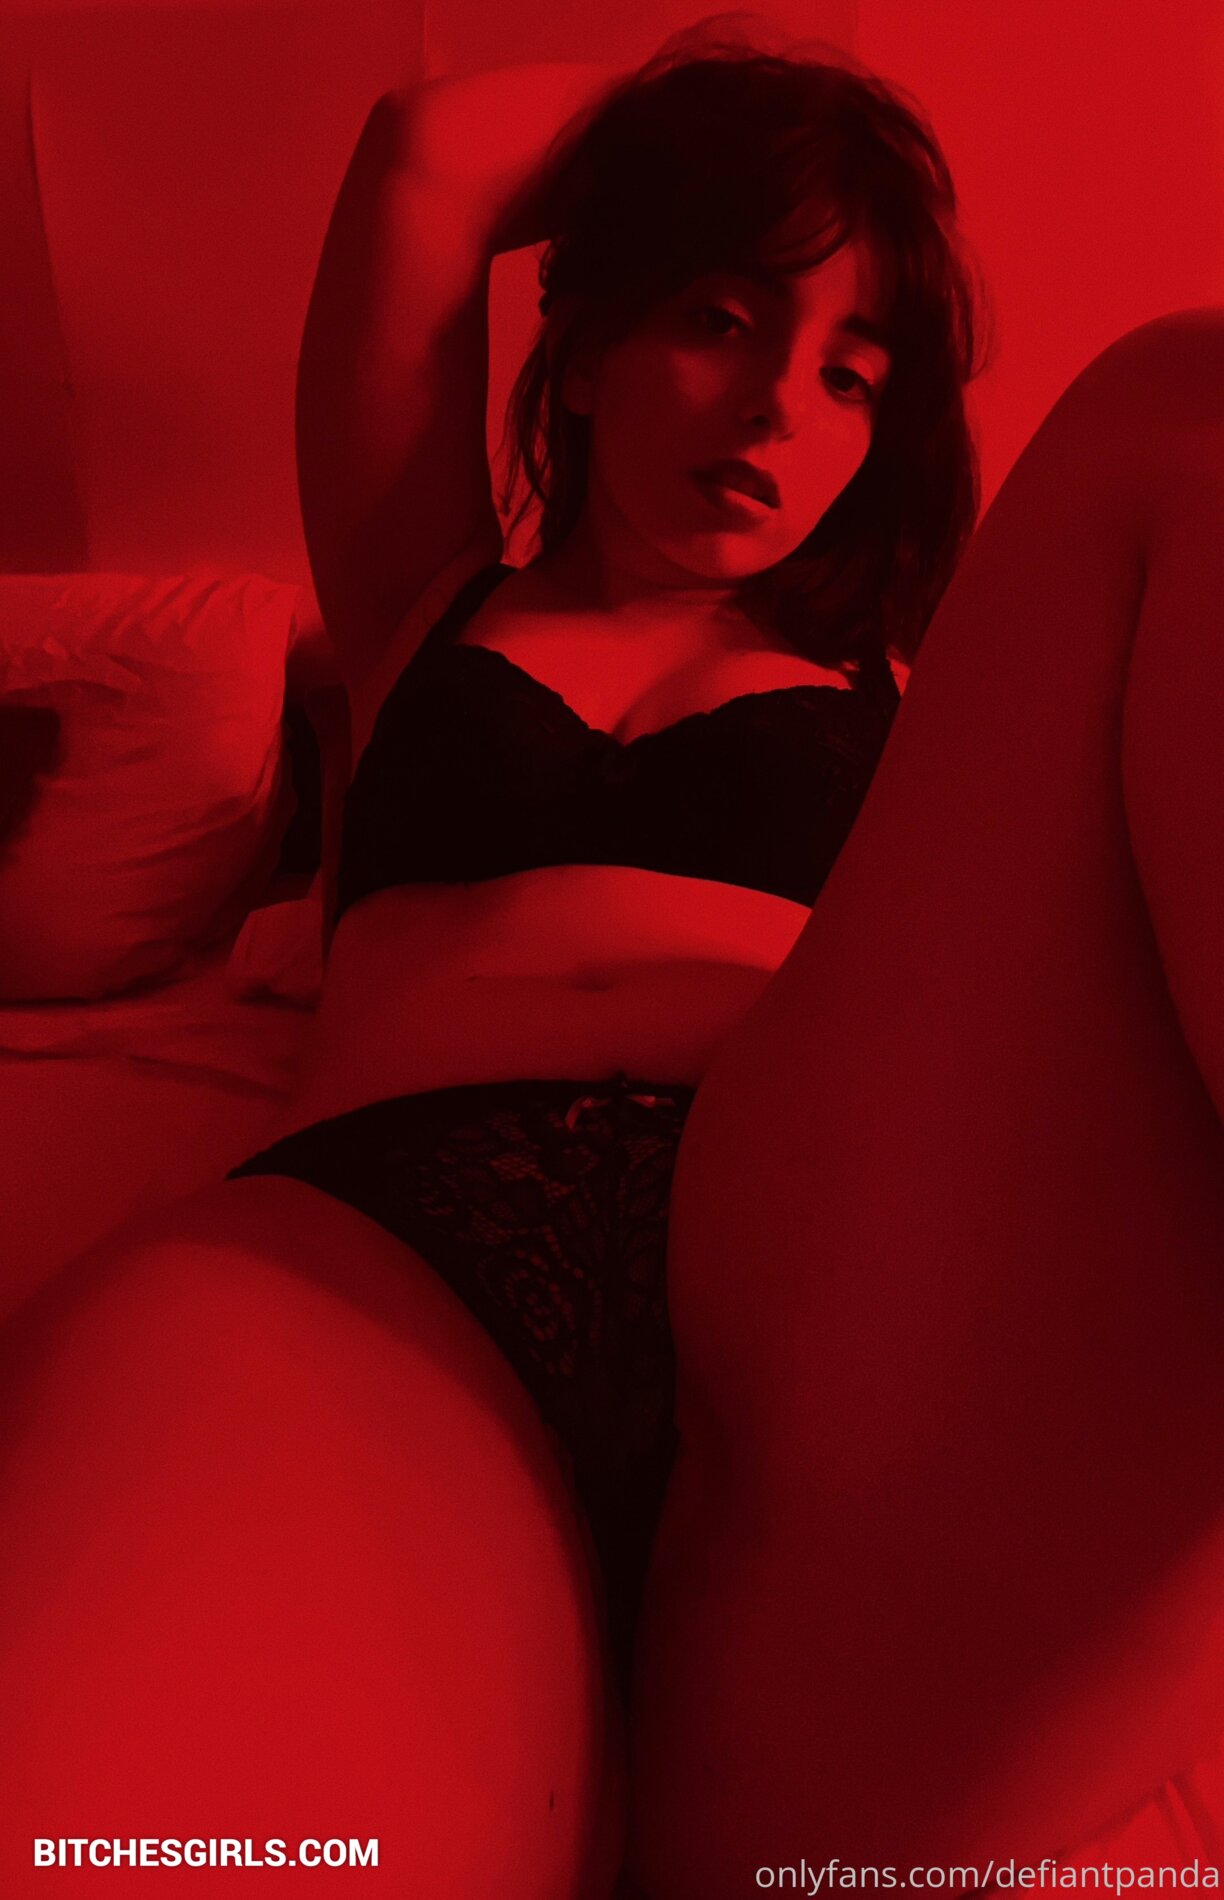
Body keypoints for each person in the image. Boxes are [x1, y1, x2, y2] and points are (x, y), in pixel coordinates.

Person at [10, 17, 1219, 1899]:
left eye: (852, 375)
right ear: (578, 353)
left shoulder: (917, 696)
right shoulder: (429, 599)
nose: (776, 410)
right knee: (139, 1814)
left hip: (828, 1257)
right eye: (720, 320)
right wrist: (773, 137)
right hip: (403, 1234)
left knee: (1192, 406)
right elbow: (425, 161)